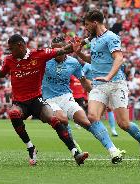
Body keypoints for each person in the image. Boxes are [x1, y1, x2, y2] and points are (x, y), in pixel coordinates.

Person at [0, 34, 88, 166]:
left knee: (54, 119)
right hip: (20, 102)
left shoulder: (39, 54)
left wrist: (80, 43)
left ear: (20, 46)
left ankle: (75, 152)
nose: (10, 52)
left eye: (12, 49)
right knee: (13, 113)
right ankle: (31, 148)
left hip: (36, 99)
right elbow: (2, 73)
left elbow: (62, 50)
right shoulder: (9, 60)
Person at [73, 9, 140, 165]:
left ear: (95, 23)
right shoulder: (93, 40)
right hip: (99, 84)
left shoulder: (112, 37)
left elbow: (119, 58)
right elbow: (91, 59)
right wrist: (79, 53)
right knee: (92, 117)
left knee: (124, 124)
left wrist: (108, 76)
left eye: (87, 25)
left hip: (116, 83)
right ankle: (113, 150)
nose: (86, 28)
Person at [42, 36, 124, 164]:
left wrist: (99, 97)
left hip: (66, 97)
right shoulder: (45, 61)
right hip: (48, 99)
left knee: (87, 121)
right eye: (53, 50)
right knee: (62, 118)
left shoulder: (73, 63)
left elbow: (84, 83)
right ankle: (75, 150)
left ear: (65, 49)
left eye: (58, 50)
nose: (56, 52)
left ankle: (113, 150)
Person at [83, 63, 118, 136]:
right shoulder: (87, 65)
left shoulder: (102, 64)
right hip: (93, 89)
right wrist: (89, 82)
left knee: (109, 108)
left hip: (104, 87)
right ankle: (99, 129)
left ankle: (113, 129)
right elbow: (81, 75)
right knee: (94, 112)